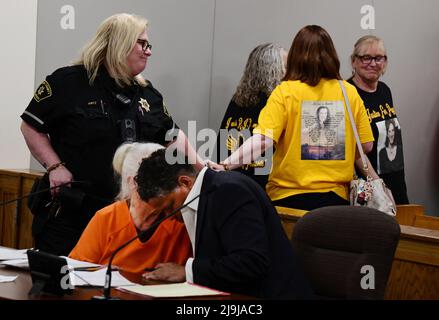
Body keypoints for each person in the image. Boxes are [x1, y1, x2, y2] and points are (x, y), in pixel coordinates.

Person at [20, 13, 203, 256]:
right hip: (71, 212)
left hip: (122, 218)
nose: (148, 51)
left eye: (149, 45)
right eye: (142, 43)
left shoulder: (148, 94)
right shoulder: (68, 82)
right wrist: (55, 167)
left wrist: (202, 170)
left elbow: (172, 137)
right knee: (60, 285)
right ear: (119, 43)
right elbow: (31, 127)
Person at [210, 25, 375, 211]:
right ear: (331, 55)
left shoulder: (285, 91)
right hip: (335, 200)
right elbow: (366, 146)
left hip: (287, 198)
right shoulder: (349, 92)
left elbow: (262, 141)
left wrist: (225, 165)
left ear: (295, 56)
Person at [136, 149, 312, 299]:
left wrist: (187, 271)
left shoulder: (229, 191)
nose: (168, 216)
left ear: (185, 183)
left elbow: (252, 262)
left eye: (169, 207)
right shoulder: (209, 191)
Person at [69, 143, 192, 273]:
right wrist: (97, 272)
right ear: (133, 182)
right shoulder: (107, 218)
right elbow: (75, 269)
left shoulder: (181, 219)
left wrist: (186, 272)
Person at [348, 35, 409, 204]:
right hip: (367, 186)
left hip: (394, 181)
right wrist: (377, 184)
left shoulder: (384, 90)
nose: (373, 63)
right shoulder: (348, 93)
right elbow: (354, 150)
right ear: (353, 61)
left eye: (378, 58)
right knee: (370, 229)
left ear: (385, 62)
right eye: (366, 57)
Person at [216, 43, 287, 189]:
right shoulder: (276, 102)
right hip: (261, 187)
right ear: (274, 70)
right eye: (286, 66)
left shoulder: (237, 99)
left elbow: (221, 146)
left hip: (230, 181)